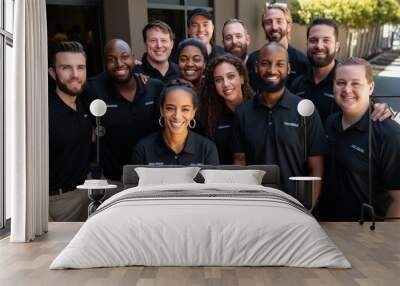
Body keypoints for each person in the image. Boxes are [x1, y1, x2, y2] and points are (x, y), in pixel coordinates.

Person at [233, 42, 328, 199]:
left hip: (296, 206)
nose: (271, 70)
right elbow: (239, 162)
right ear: (256, 67)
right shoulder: (242, 113)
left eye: (279, 64)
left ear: (288, 69)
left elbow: (316, 167)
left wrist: (308, 207)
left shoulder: (306, 110)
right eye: (265, 63)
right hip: (256, 205)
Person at [318, 58, 400, 221]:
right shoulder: (330, 122)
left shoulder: (389, 135)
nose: (347, 89)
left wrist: (383, 240)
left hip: (366, 237)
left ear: (370, 87)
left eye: (356, 83)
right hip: (327, 229)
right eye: (341, 82)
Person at [87, 39, 164, 182]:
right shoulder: (93, 89)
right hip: (113, 178)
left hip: (152, 176)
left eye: (124, 57)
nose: (119, 63)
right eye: (111, 59)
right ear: (104, 63)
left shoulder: (154, 87)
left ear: (133, 58)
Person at [290, 18, 392, 124]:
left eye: (326, 40)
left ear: (337, 46)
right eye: (313, 40)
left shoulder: (348, 83)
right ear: (307, 44)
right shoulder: (297, 84)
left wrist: (383, 108)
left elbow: (375, 106)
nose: (319, 46)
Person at [48, 41, 91, 221]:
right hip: (58, 203)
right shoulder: (43, 113)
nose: (75, 75)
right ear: (52, 72)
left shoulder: (86, 101)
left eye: (80, 67)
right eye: (66, 68)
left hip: (89, 195)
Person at [132, 79, 219, 165]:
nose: (177, 116)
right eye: (170, 108)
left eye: (185, 109)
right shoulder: (143, 148)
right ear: (162, 110)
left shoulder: (207, 148)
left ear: (193, 113)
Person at [201, 54, 254, 164]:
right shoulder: (211, 116)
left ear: (242, 78)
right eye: (218, 80)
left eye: (230, 76)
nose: (225, 84)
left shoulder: (257, 108)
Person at [246, 3, 308, 91]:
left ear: (289, 26)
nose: (274, 27)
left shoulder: (303, 63)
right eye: (268, 22)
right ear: (264, 28)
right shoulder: (253, 59)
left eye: (279, 21)